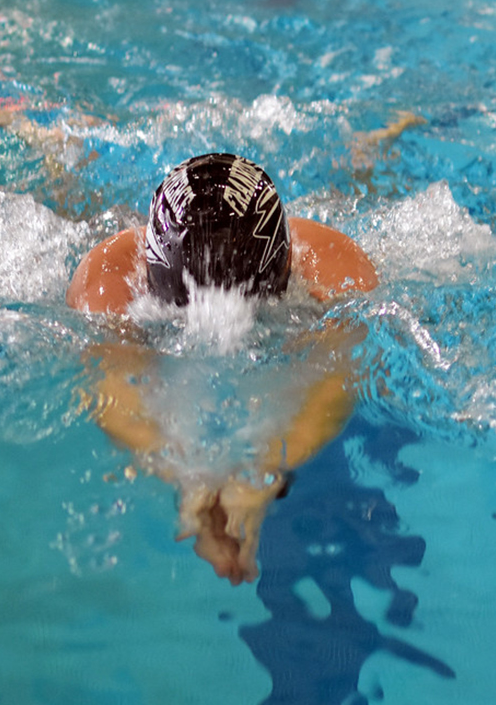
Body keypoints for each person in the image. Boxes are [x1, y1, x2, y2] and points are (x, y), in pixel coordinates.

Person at [67, 152, 380, 584]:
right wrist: (185, 472)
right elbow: (113, 383)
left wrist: (265, 470)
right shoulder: (107, 280)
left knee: (357, 170)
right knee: (72, 190)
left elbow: (337, 376)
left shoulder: (335, 267)